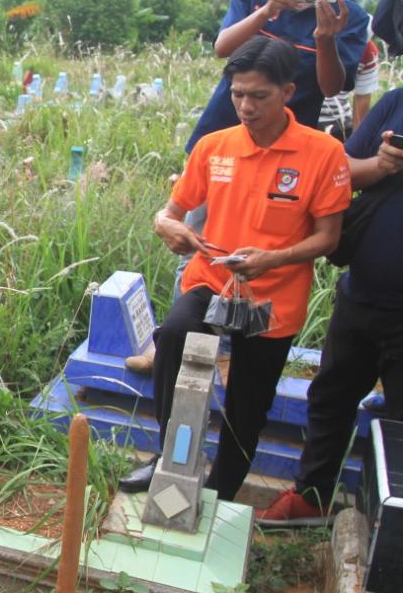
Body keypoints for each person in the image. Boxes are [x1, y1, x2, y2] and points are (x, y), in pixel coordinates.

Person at [123, 0, 370, 378]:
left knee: (265, 249)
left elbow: (334, 84)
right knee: (198, 239)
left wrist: (325, 35)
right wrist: (270, 10)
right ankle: (171, 345)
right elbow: (223, 48)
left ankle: (234, 349)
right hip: (222, 139)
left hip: (292, 152)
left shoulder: (349, 16)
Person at [119, 37, 352, 499]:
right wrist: (167, 226)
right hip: (212, 279)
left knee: (249, 402)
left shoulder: (321, 154)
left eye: (258, 96)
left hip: (274, 295)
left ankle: (222, 490)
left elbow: (329, 238)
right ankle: (169, 454)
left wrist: (274, 258)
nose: (245, 106)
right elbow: (170, 211)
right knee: (175, 334)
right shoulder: (214, 147)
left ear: (288, 92)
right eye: (237, 94)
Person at [257, 86, 403, 526]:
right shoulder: (397, 102)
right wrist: (381, 165)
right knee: (331, 394)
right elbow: (342, 171)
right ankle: (312, 496)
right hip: (362, 293)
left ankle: (387, 523)